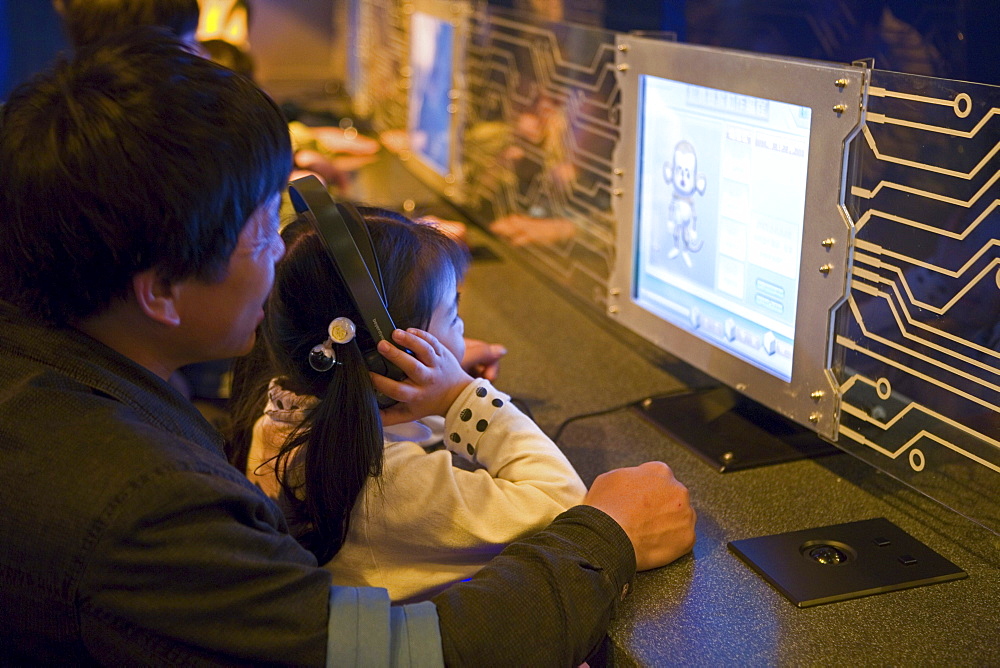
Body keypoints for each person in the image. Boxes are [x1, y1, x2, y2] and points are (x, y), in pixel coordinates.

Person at [0, 30, 696, 665]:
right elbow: (392, 655)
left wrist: (382, 371)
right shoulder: (143, 509)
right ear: (160, 288)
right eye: (261, 234)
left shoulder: (55, 361)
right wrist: (607, 536)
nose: (277, 261)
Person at [228, 207, 588, 602]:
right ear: (385, 357)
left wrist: (429, 382)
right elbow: (565, 506)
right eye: (452, 314)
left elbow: (392, 419)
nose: (463, 326)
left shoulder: (283, 412)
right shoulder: (382, 483)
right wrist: (461, 395)